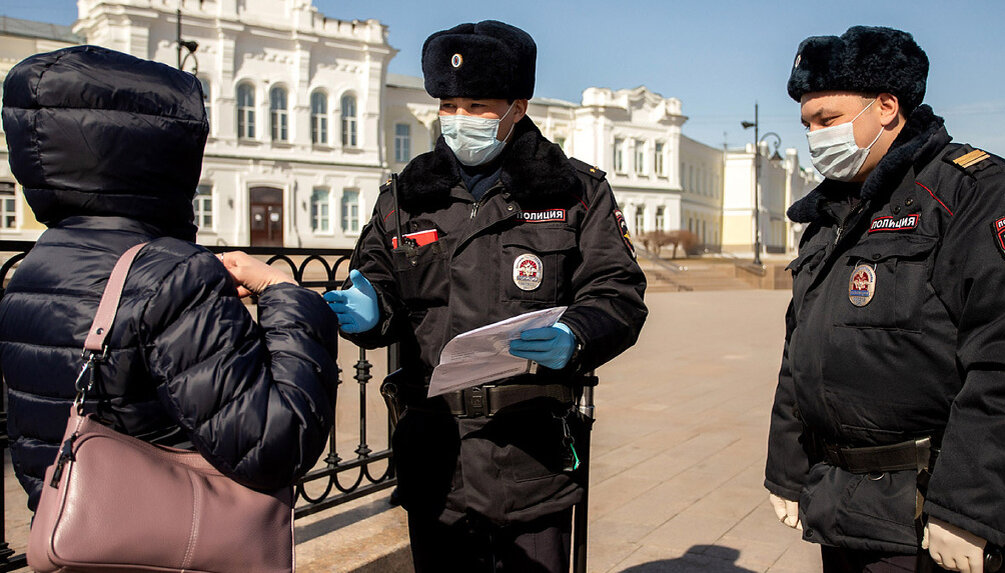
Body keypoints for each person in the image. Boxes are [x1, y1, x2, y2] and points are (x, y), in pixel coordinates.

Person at [325, 20, 647, 572]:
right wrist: (369, 308)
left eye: (476, 106)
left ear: (516, 107)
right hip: (434, 452)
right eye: (447, 106)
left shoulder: (574, 191)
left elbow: (617, 290)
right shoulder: (407, 196)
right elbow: (376, 275)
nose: (458, 120)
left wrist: (578, 333)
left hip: (528, 452)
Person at [0, 45, 339, 512]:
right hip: (167, 540)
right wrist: (287, 295)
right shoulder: (175, 274)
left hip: (72, 525)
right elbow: (277, 445)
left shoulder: (34, 268)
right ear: (162, 151)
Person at [765, 26, 1005, 573]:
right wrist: (786, 467)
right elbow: (801, 352)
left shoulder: (972, 195)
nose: (814, 138)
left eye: (828, 120)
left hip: (931, 514)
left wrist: (968, 511)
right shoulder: (830, 216)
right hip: (844, 505)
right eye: (806, 125)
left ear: (886, 107)